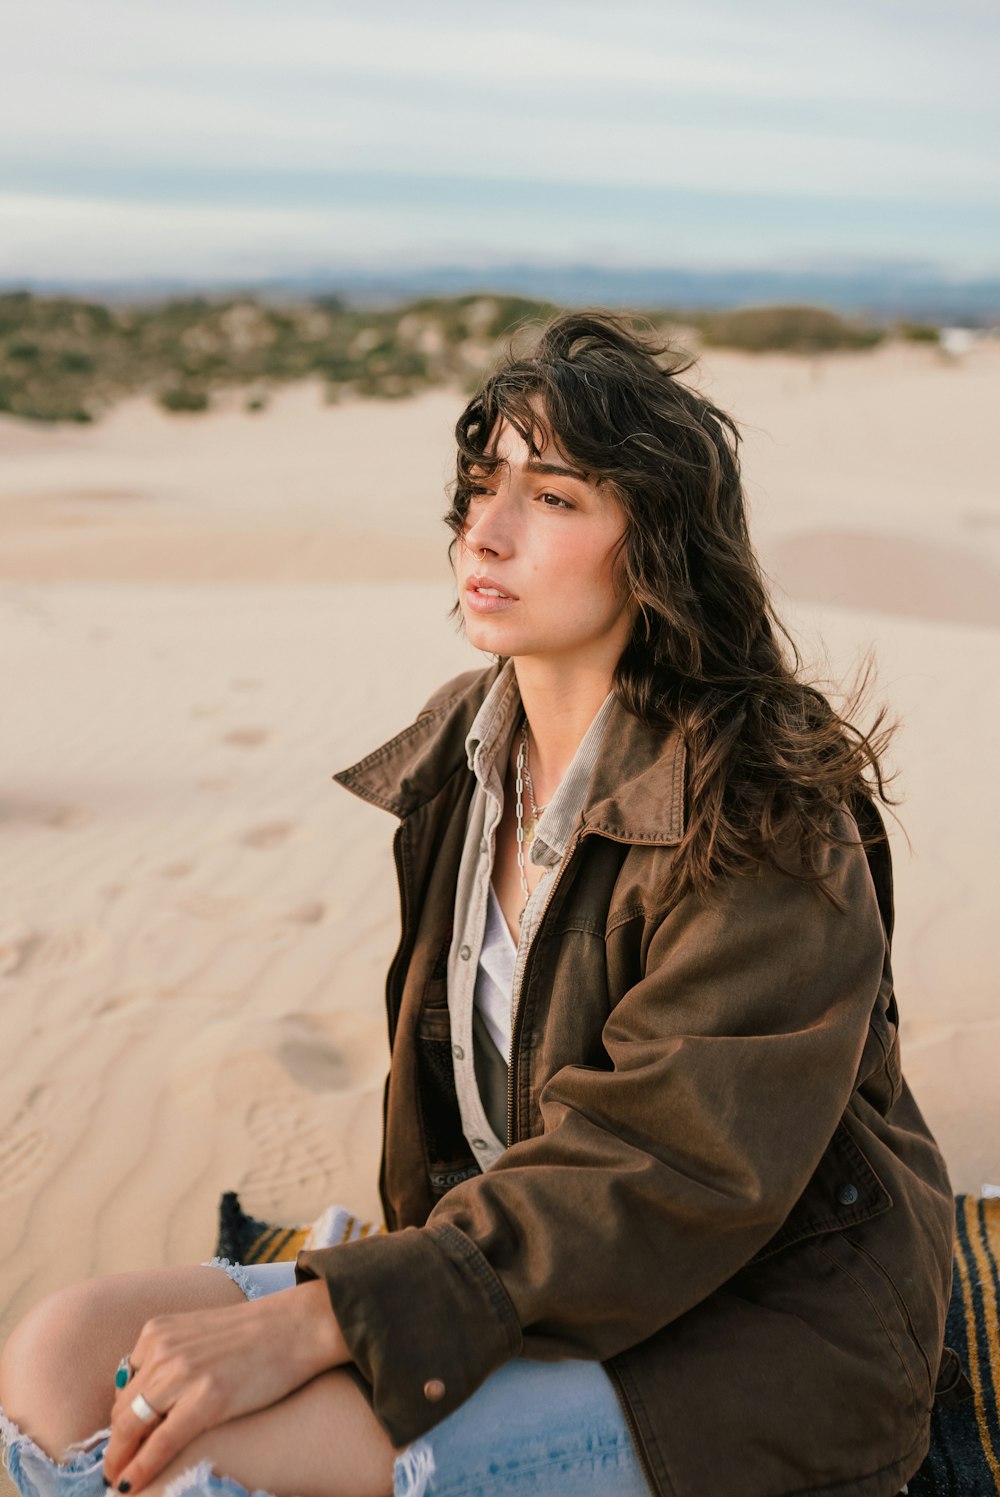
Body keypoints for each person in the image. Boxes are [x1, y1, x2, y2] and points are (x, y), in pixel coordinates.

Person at [0, 311, 959, 1497]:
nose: (485, 532)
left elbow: (671, 1167)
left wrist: (321, 1325)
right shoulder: (469, 743)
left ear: (654, 547)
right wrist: (378, 1297)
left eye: (554, 499)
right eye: (481, 483)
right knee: (59, 1361)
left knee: (197, 1456)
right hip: (510, 1274)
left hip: (749, 1324)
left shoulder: (762, 812)